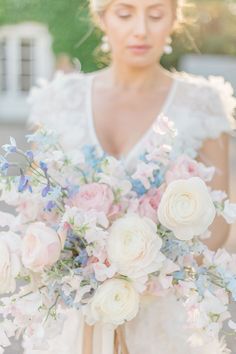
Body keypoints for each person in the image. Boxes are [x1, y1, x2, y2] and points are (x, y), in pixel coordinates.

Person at [25, 0, 236, 353]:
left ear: (173, 18)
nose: (141, 29)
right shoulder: (56, 101)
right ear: (102, 17)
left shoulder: (202, 104)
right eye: (125, 13)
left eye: (155, 15)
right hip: (76, 321)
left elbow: (217, 225)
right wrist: (84, 256)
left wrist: (141, 261)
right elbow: (35, 208)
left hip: (162, 322)